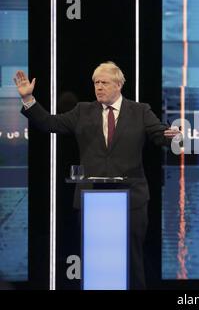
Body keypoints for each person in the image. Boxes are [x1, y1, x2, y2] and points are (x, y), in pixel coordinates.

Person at [14, 61, 180, 290]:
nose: (99, 87)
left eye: (104, 82)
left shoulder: (140, 111)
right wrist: (28, 99)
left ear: (119, 84)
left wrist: (173, 136)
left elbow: (159, 134)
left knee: (132, 261)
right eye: (96, 83)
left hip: (131, 200)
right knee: (95, 263)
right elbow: (49, 123)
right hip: (92, 199)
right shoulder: (83, 111)